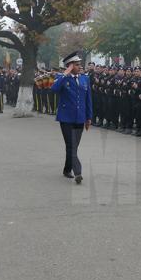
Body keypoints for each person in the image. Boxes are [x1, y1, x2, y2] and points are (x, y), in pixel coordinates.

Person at [52, 52, 92, 184]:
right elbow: (54, 89)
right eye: (77, 64)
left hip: (80, 118)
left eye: (80, 64)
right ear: (69, 66)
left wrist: (88, 117)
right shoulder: (62, 78)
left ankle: (67, 169)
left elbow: (88, 100)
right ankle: (78, 172)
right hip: (66, 118)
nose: (80, 66)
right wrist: (65, 74)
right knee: (71, 145)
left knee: (74, 147)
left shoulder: (85, 79)